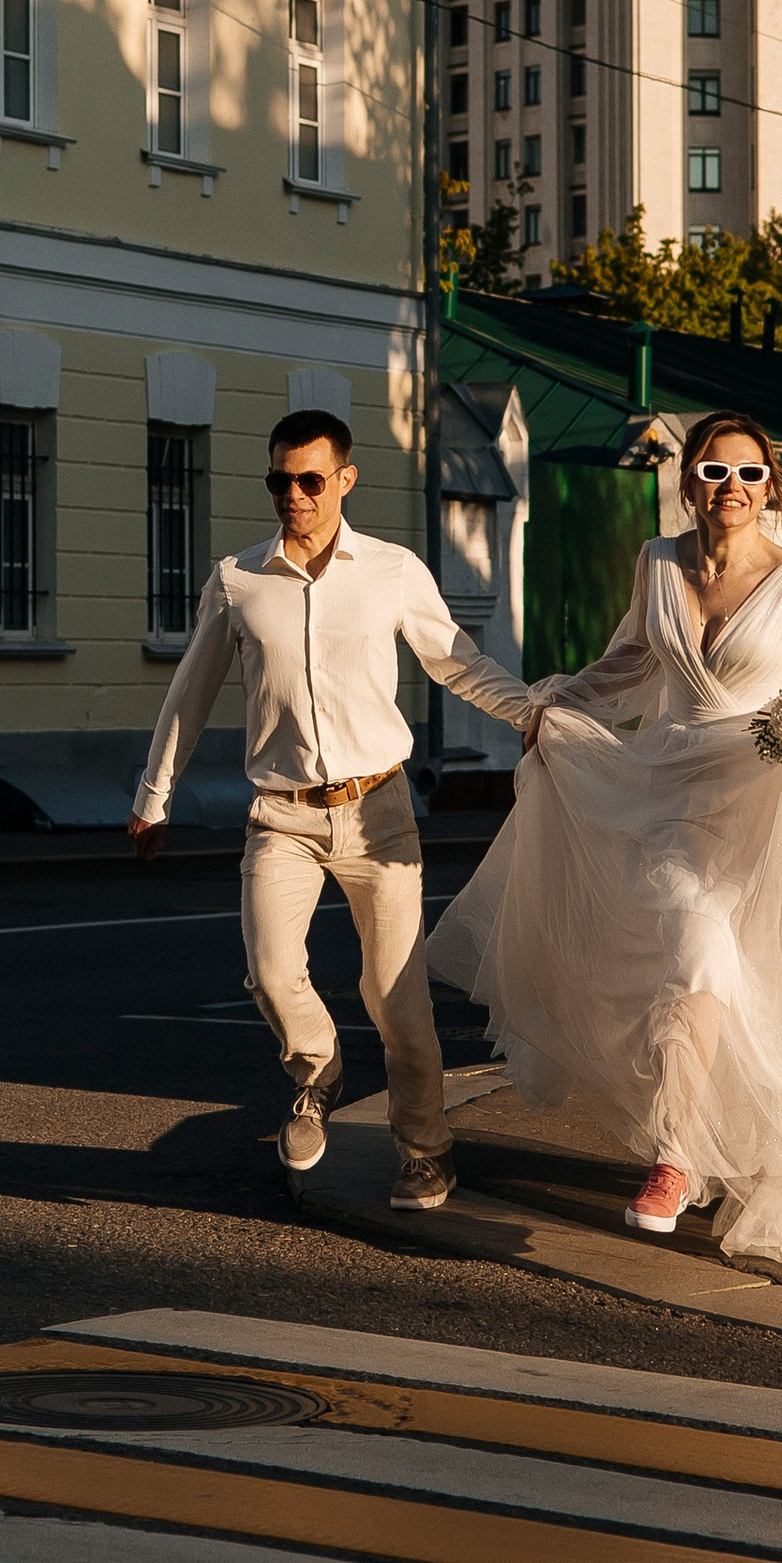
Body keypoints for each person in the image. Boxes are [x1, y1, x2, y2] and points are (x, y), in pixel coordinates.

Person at [427, 411, 782, 1264]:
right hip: (664, 788)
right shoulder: (657, 563)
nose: (731, 488)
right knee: (692, 952)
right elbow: (628, 664)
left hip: (764, 802)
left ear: (772, 486)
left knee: (764, 982)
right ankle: (678, 1154)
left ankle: (738, 1145)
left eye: (749, 474)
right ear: (688, 481)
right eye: (713, 472)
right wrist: (558, 704)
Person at [131, 408, 536, 1209]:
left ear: (345, 480)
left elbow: (457, 661)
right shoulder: (239, 578)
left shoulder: (391, 571)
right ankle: (316, 1074)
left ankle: (426, 1151)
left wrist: (530, 714)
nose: (294, 494)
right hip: (280, 817)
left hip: (378, 816)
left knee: (397, 1001)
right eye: (280, 480)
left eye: (310, 480)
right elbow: (190, 695)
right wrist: (154, 795)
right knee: (271, 971)